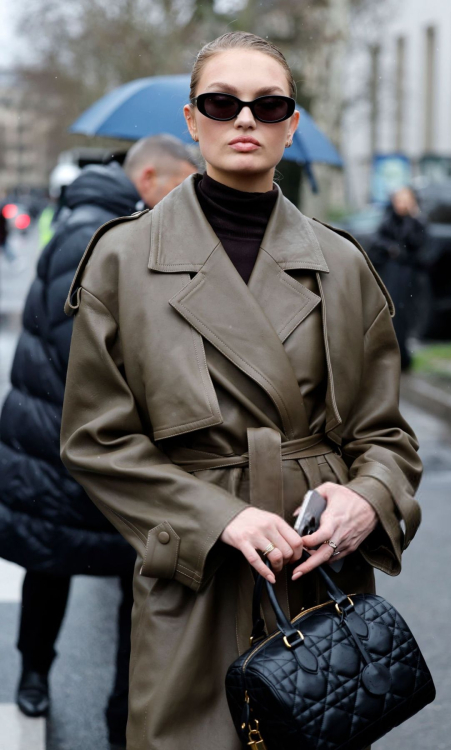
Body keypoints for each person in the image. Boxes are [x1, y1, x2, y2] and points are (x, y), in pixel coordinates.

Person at [60, 32, 423, 750]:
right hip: (193, 584)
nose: (246, 120)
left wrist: (368, 498)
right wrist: (217, 518)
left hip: (320, 582)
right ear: (193, 121)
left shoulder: (344, 265)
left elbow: (386, 438)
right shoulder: (124, 261)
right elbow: (95, 440)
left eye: (269, 104)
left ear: (292, 125)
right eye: (223, 103)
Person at [0, 135, 198, 749]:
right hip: (63, 441)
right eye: (182, 182)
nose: (190, 195)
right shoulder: (94, 233)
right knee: (54, 564)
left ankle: (122, 712)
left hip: (98, 440)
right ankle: (35, 672)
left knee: (124, 578)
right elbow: (80, 344)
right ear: (148, 178)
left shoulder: (123, 227)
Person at [370, 186, 428, 370]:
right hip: (391, 276)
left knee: (404, 318)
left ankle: (403, 357)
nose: (401, 204)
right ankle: (388, 356)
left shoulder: (417, 222)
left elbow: (419, 246)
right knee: (389, 315)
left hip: (409, 279)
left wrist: (412, 218)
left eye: (405, 199)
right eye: (398, 199)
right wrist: (390, 249)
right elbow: (376, 244)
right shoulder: (388, 221)